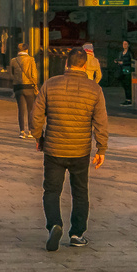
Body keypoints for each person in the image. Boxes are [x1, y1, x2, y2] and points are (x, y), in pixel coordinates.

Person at [30, 47, 108, 250]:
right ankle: (77, 234)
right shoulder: (94, 89)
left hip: (54, 148)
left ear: (66, 63)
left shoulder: (50, 84)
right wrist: (101, 149)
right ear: (85, 65)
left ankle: (54, 224)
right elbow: (101, 121)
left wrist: (39, 137)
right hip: (80, 150)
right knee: (80, 191)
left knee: (51, 190)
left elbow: (36, 115)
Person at [10, 42, 40, 139]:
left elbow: (11, 75)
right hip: (29, 87)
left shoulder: (13, 61)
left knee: (21, 109)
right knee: (30, 109)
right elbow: (34, 75)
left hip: (18, 87)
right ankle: (30, 131)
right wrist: (35, 85)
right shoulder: (31, 60)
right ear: (26, 50)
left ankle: (22, 131)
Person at [116, 40, 134, 107]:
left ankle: (129, 99)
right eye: (123, 44)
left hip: (127, 70)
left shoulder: (130, 53)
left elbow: (132, 61)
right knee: (124, 85)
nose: (124, 45)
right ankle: (127, 99)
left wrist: (124, 63)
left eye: (126, 44)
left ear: (128, 45)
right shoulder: (121, 53)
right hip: (121, 70)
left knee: (128, 85)